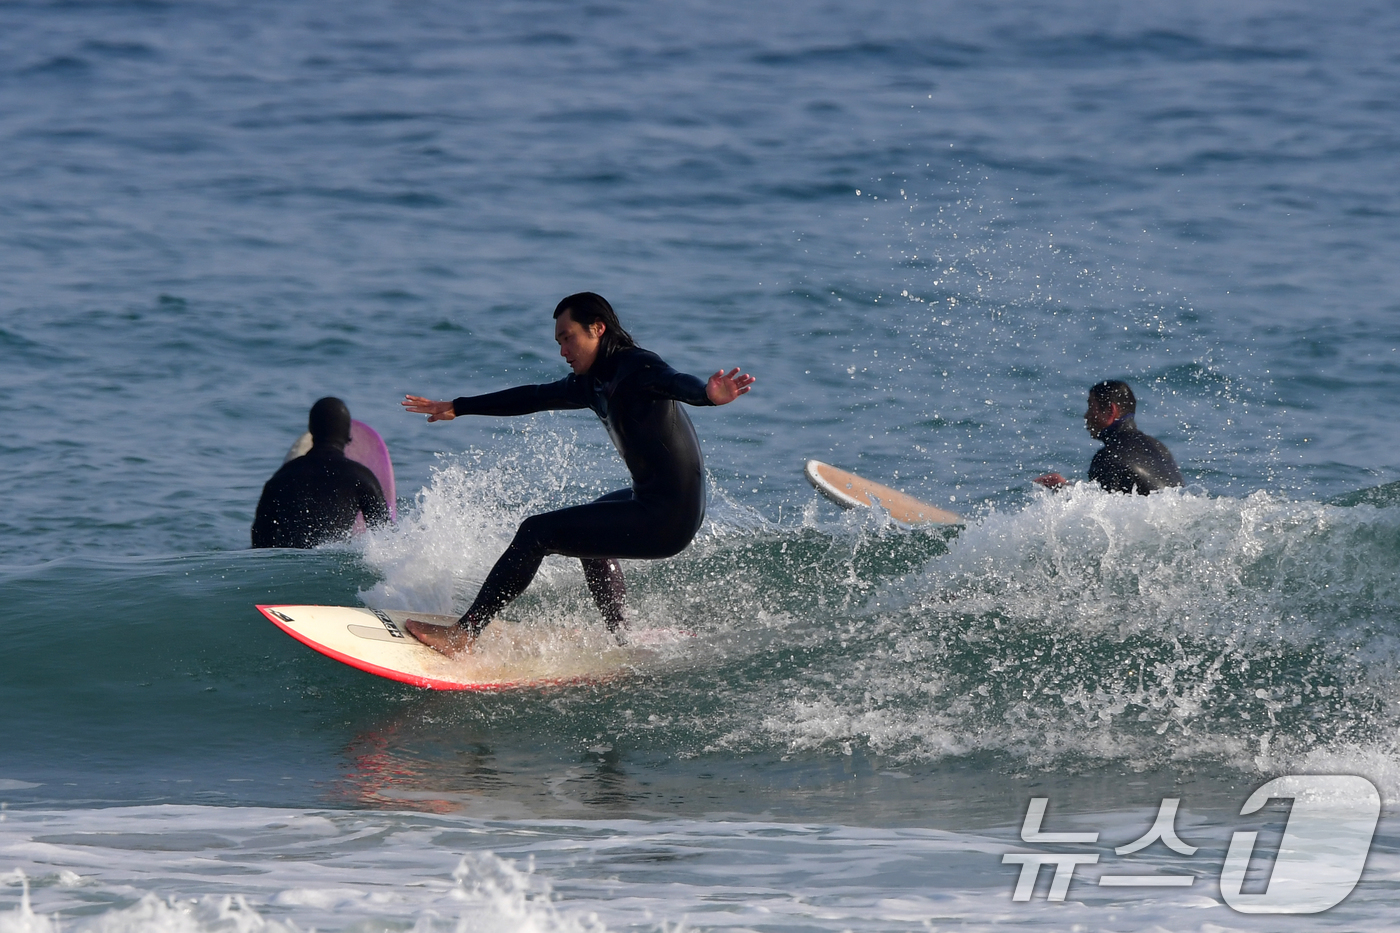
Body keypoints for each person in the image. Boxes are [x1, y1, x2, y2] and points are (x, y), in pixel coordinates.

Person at [401, 292, 754, 656]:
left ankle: (465, 635)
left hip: (668, 517)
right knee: (593, 531)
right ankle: (622, 637)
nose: (562, 350)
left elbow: (676, 381)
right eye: (558, 341)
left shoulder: (638, 368)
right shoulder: (592, 383)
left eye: (568, 337)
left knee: (535, 532)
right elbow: (533, 397)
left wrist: (708, 395)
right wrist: (458, 407)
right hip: (656, 502)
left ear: (597, 329)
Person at [251, 397, 391, 548]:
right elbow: (386, 538)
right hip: (332, 566)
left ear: (311, 430)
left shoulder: (279, 479)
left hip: (289, 566)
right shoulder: (362, 478)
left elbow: (260, 544)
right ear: (348, 436)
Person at [1033, 380, 1183, 495]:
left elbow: (1100, 520)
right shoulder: (1159, 448)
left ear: (1110, 411)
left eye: (1091, 407)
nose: (1086, 416)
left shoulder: (1108, 458)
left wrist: (1062, 491)